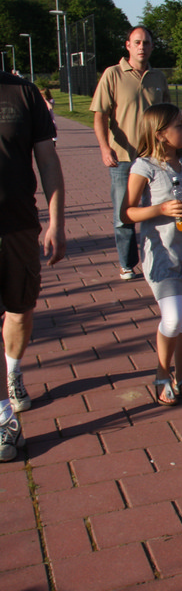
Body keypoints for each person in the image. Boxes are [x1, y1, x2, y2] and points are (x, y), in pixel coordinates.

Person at [121, 104, 182, 406]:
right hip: (162, 253)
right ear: (160, 134)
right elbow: (127, 213)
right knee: (173, 318)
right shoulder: (144, 167)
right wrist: (159, 209)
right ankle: (161, 374)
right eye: (178, 125)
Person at [0, 71, 66, 460]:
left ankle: (12, 369)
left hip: (19, 224)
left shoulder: (23, 93)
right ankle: (3, 416)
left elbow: (48, 161)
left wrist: (57, 221)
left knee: (21, 309)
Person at [91, 26, 170, 281]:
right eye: (137, 42)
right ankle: (127, 264)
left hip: (154, 158)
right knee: (124, 213)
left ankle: (155, 258)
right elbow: (100, 116)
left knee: (154, 210)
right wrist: (105, 148)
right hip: (123, 159)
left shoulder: (158, 77)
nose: (141, 47)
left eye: (146, 42)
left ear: (152, 46)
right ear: (128, 45)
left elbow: (168, 117)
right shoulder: (113, 74)